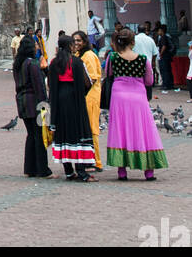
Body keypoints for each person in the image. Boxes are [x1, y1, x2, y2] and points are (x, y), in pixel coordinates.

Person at [103, 27, 168, 180]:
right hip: (138, 96)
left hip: (119, 96)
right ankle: (148, 172)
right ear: (133, 42)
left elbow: (109, 74)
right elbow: (149, 81)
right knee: (143, 129)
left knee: (121, 130)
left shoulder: (112, 57)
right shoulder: (143, 59)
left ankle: (122, 171)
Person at [47, 32, 95, 182]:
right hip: (74, 99)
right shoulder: (76, 62)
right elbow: (88, 82)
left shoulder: (54, 63)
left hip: (60, 99)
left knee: (63, 134)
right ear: (69, 46)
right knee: (77, 132)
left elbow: (49, 84)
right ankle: (82, 172)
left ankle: (68, 172)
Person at [13, 33, 51, 178]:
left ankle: (30, 168)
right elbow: (40, 87)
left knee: (31, 135)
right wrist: (45, 106)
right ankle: (43, 169)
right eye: (35, 46)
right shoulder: (32, 64)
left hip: (22, 101)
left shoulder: (18, 64)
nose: (37, 48)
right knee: (39, 136)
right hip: (34, 102)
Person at [72, 30, 103, 172]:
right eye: (74, 41)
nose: (76, 43)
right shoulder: (78, 55)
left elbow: (92, 78)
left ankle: (96, 161)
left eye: (79, 40)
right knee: (85, 129)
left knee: (92, 128)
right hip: (83, 96)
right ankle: (87, 158)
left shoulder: (89, 56)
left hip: (90, 96)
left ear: (84, 41)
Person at [132, 22, 158, 100]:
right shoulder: (150, 40)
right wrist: (153, 62)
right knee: (148, 83)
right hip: (148, 65)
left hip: (136, 65)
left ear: (138, 30)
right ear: (145, 30)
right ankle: (148, 98)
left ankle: (138, 97)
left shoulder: (134, 39)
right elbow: (155, 53)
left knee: (138, 83)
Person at [156, 24, 176, 91]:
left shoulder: (163, 37)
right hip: (167, 56)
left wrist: (160, 54)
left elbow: (164, 46)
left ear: (161, 31)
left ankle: (165, 85)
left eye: (158, 31)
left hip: (164, 56)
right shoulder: (167, 37)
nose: (158, 32)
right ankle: (170, 84)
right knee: (168, 70)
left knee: (164, 71)